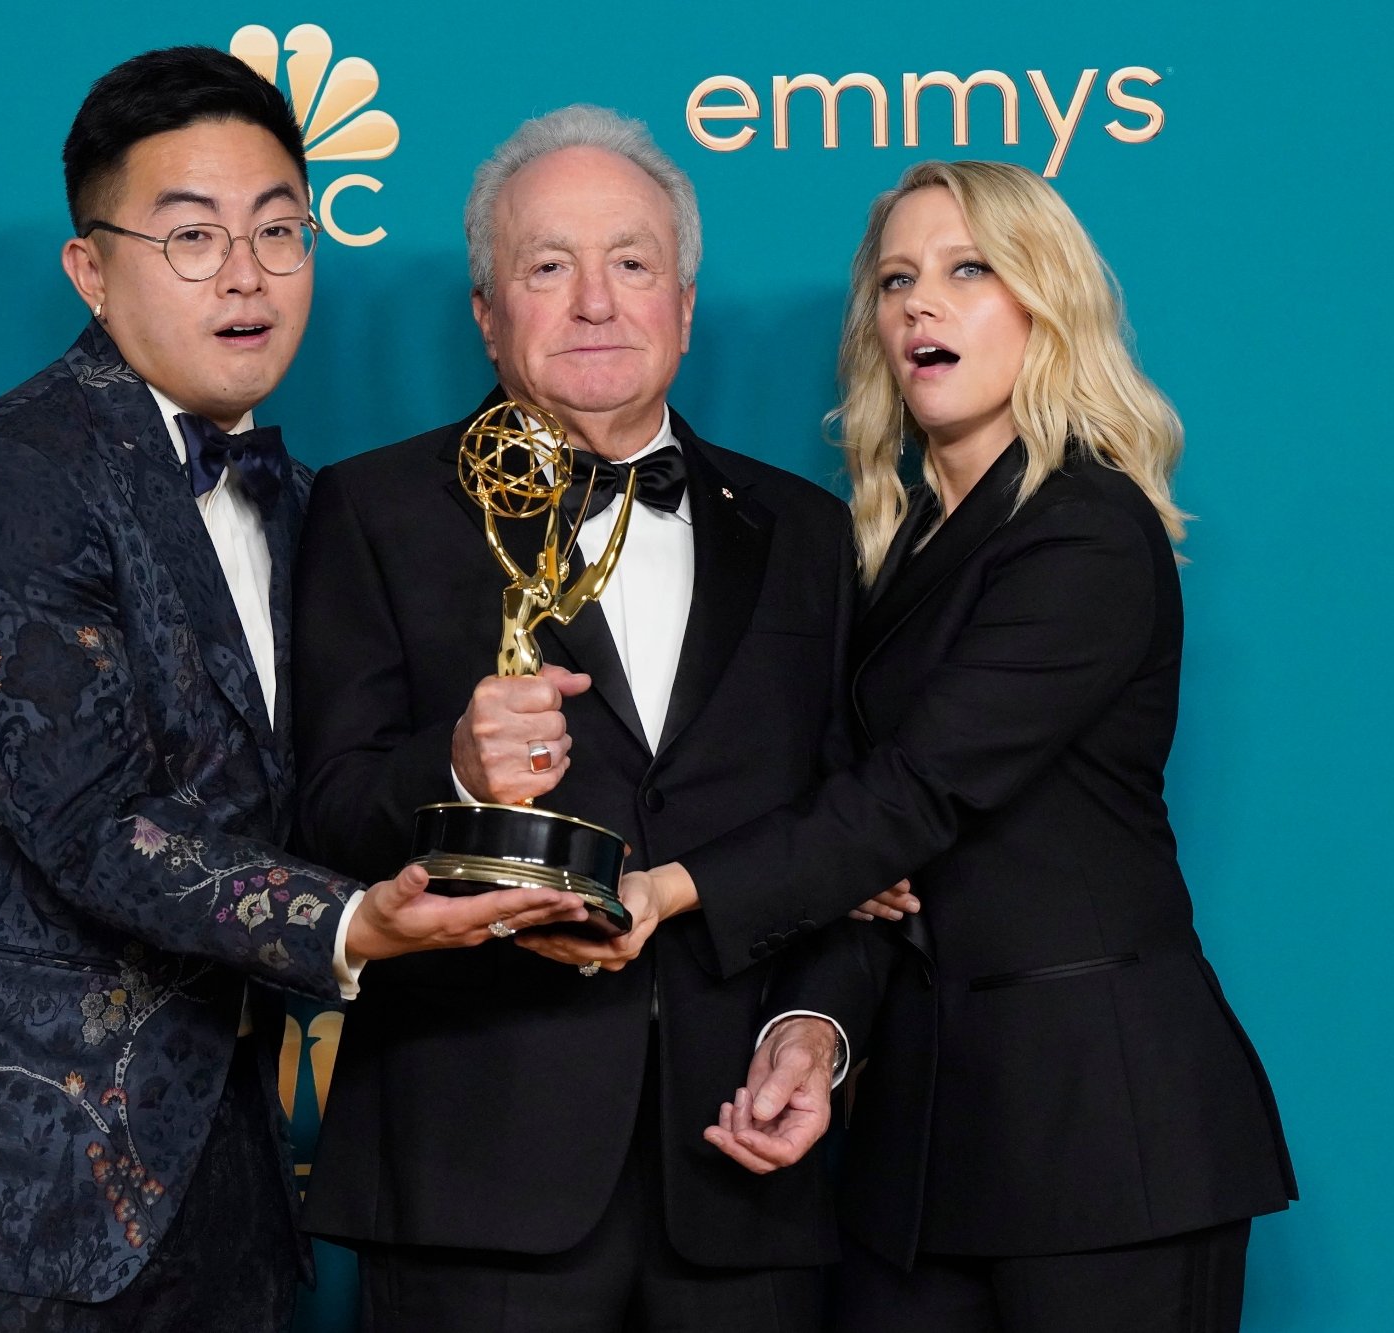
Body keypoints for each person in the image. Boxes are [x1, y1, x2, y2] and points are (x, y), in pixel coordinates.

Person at [0, 46, 582, 1333]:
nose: (247, 273)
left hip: (221, 1183)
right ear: (90, 270)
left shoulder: (309, 506)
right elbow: (91, 822)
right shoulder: (12, 476)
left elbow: (316, 788)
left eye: (278, 229)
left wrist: (460, 778)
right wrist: (351, 925)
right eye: (191, 237)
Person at [593, 160, 1297, 1331]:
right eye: (896, 279)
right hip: (918, 1135)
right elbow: (864, 808)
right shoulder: (896, 544)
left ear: (1045, 303)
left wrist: (670, 885)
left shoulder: (1086, 531)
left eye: (968, 270)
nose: (920, 303)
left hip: (1101, 1125)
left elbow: (910, 792)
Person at [291, 106, 858, 1332]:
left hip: (747, 1174)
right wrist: (447, 762)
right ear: (487, 313)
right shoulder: (373, 509)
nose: (595, 301)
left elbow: (851, 833)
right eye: (549, 267)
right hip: (473, 1173)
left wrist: (815, 1030)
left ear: (687, 303)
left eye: (632, 263)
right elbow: (321, 815)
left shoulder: (807, 534)